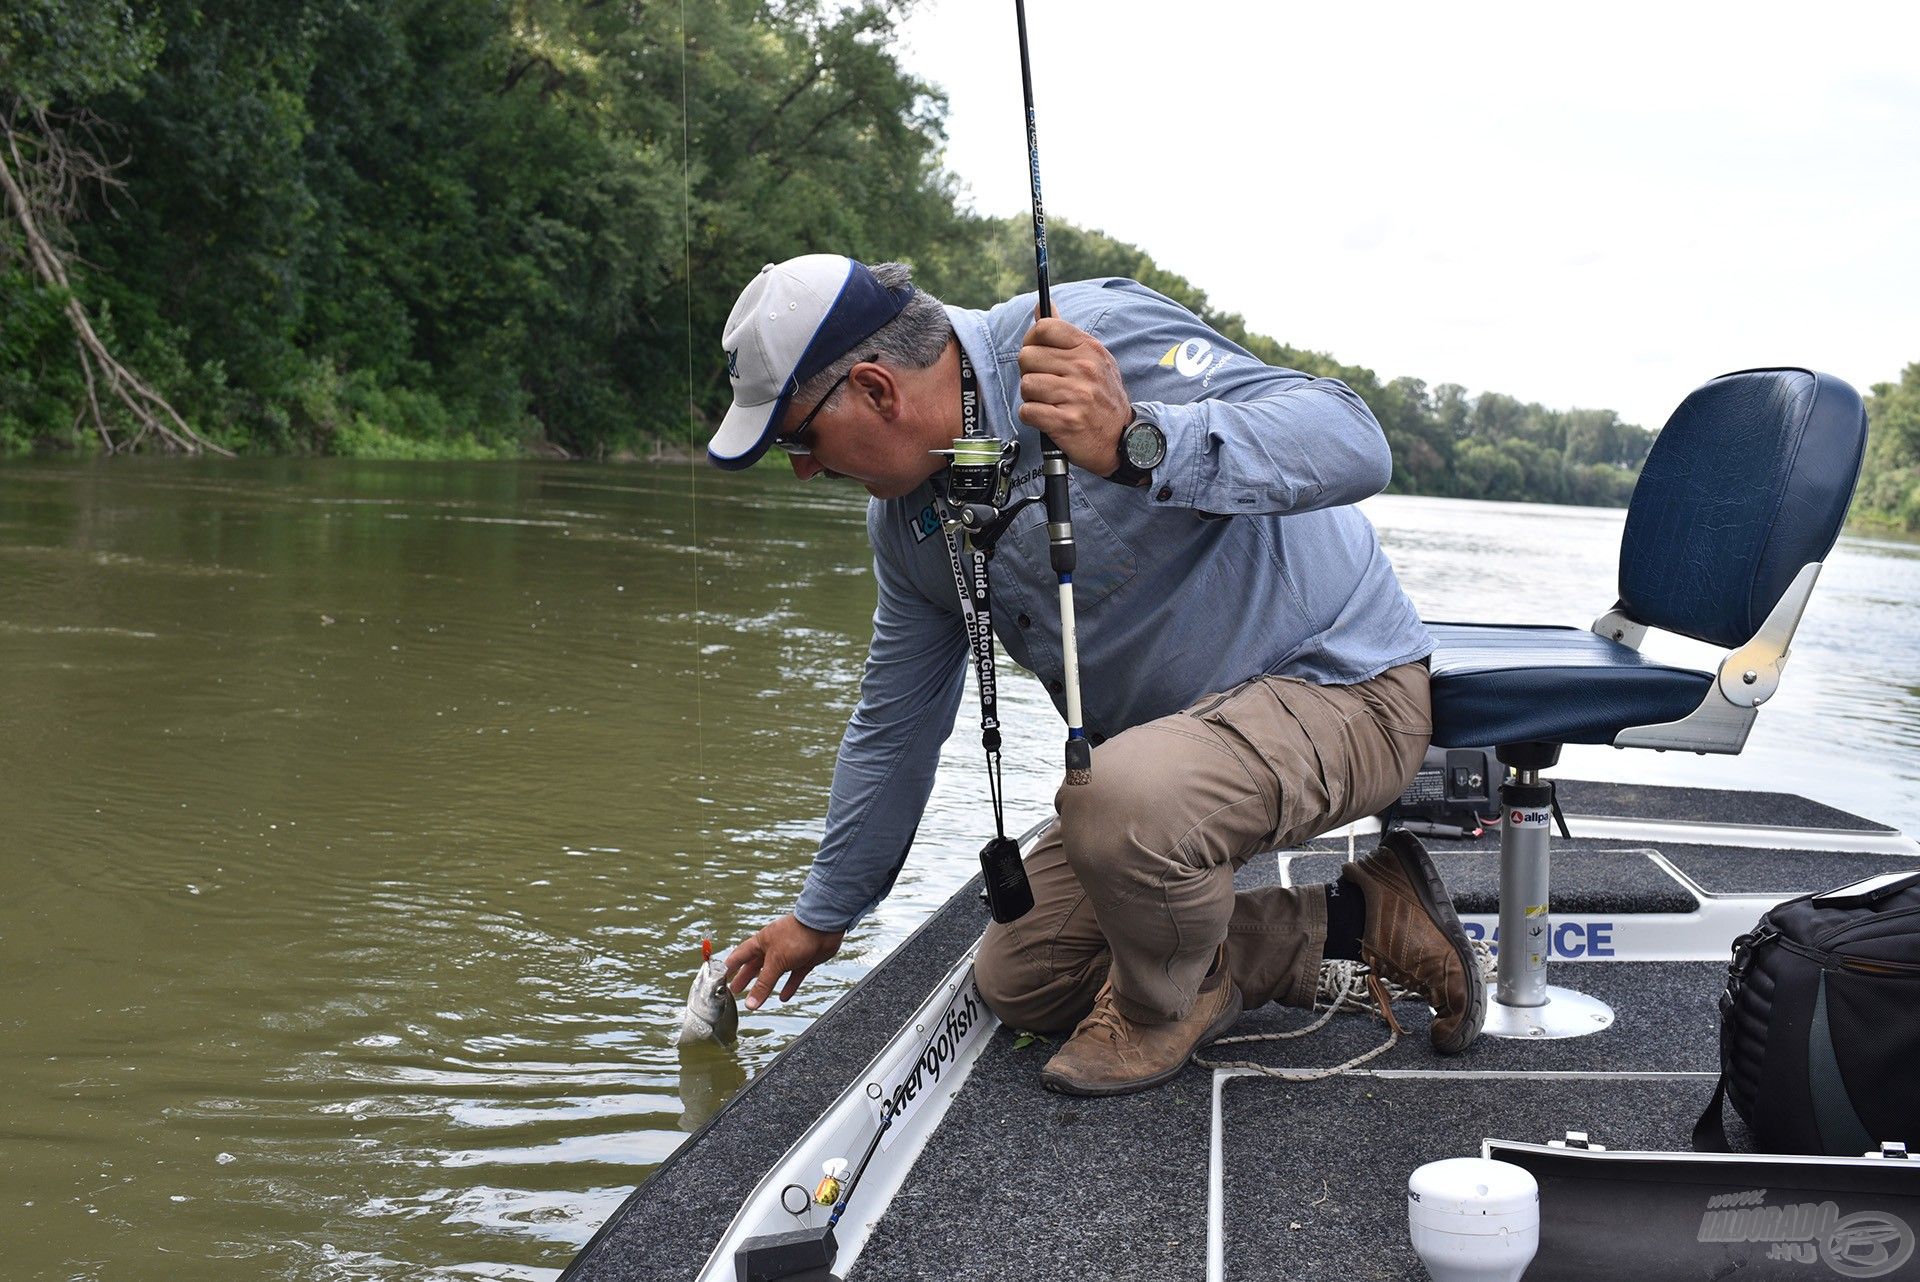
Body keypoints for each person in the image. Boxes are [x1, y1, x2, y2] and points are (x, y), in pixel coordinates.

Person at [711, 253, 1485, 1096]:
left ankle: (1163, 1009)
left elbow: (1352, 440)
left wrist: (1136, 440)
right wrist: (822, 916)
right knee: (1023, 976)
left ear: (874, 389)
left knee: (1119, 801)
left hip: (1345, 686)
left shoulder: (1085, 335)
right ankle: (1361, 918)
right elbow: (893, 726)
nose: (804, 470)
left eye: (799, 437)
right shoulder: (907, 530)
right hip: (1168, 768)